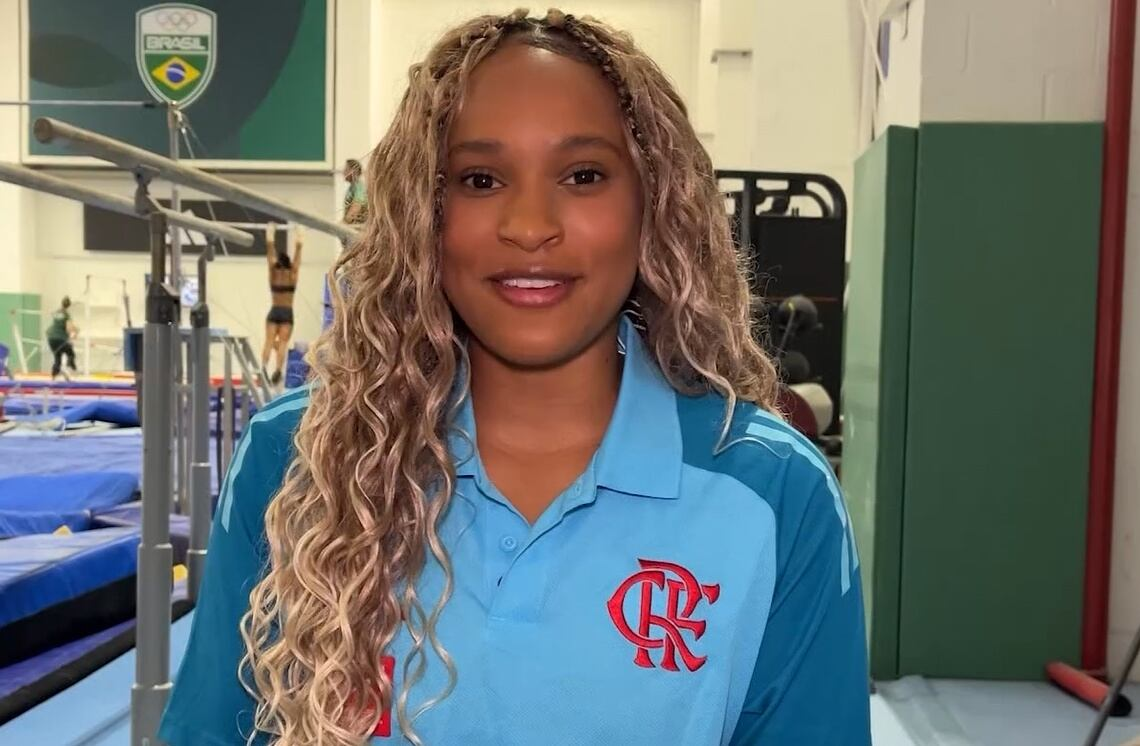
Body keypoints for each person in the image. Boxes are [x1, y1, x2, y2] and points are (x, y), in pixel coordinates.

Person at [160, 10, 870, 746]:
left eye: (583, 175)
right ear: (425, 214)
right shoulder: (303, 453)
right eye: (481, 179)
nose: (530, 226)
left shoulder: (772, 493)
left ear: (653, 204)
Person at [262, 223, 302, 386]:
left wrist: (270, 235)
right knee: (283, 344)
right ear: (289, 264)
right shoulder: (292, 275)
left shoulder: (273, 274)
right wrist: (300, 235)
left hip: (274, 310)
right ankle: (278, 369)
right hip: (287, 312)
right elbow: (298, 253)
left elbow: (270, 254)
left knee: (269, 341)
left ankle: (263, 368)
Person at [45, 295, 77, 380]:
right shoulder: (66, 314)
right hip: (61, 338)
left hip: (51, 338)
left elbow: (52, 327)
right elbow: (69, 328)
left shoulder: (56, 313)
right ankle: (68, 368)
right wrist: (73, 335)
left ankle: (54, 376)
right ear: (69, 305)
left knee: (57, 357)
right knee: (71, 354)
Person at [343, 158, 367, 227]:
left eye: (346, 170)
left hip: (358, 227)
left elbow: (356, 206)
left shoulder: (359, 187)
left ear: (353, 171)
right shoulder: (352, 187)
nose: (343, 172)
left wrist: (344, 223)